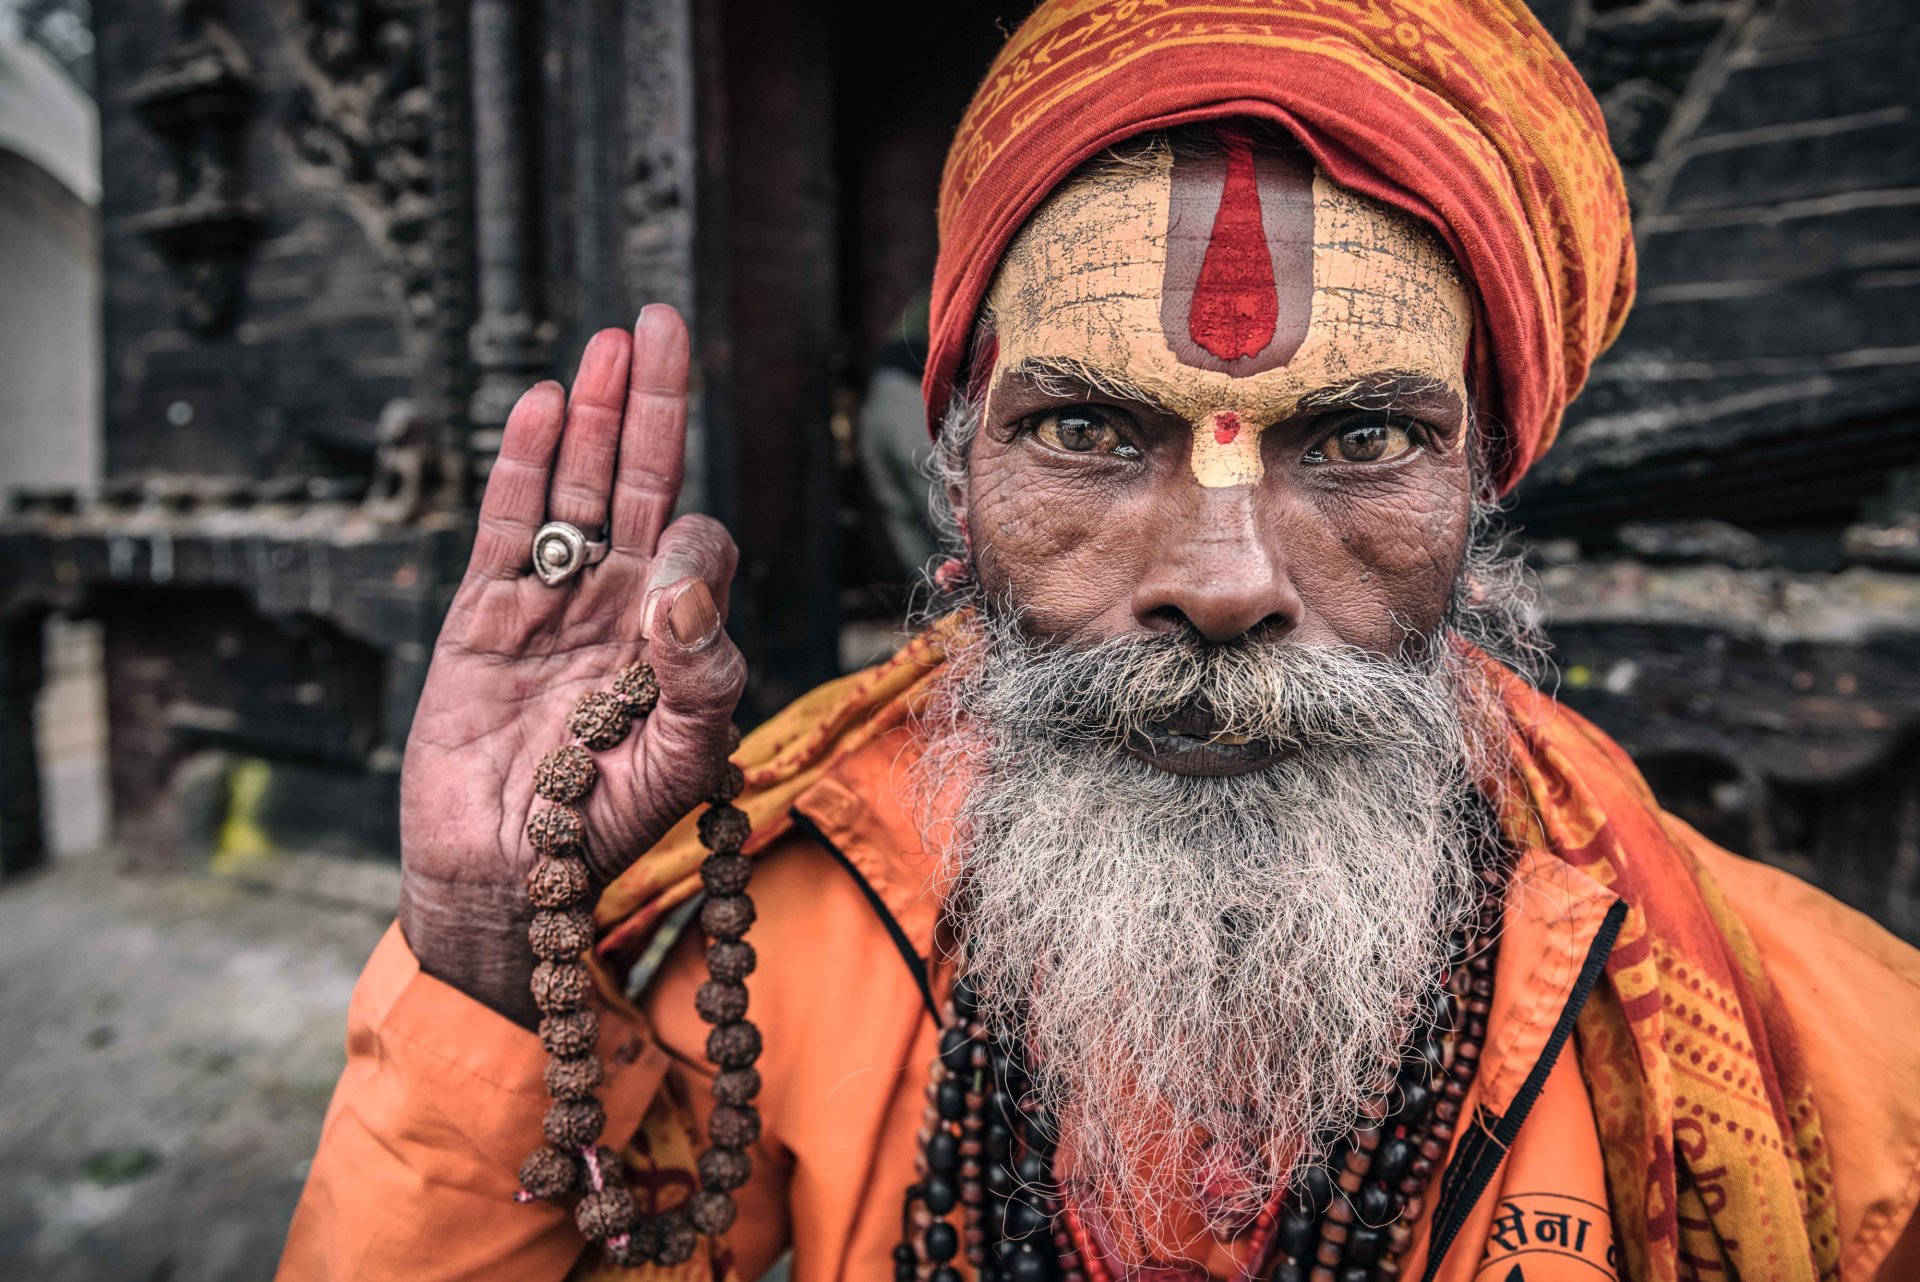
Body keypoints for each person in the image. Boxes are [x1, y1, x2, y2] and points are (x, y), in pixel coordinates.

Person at [277, 3, 1920, 1280]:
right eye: (1084, 430)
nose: (1221, 576)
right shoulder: (783, 916)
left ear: (1481, 497)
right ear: (957, 489)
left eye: (1355, 441)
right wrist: (490, 938)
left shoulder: (1814, 1058)